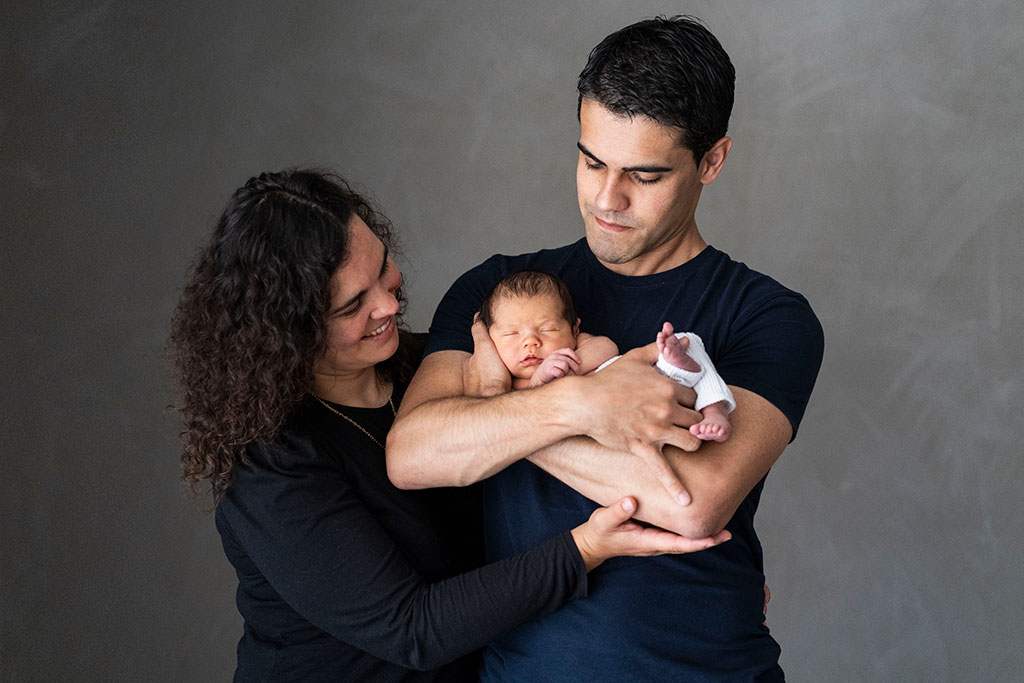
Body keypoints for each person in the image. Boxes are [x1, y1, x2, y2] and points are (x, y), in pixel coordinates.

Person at [387, 15, 824, 681]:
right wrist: (585, 405)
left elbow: (695, 502)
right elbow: (414, 451)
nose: (607, 198)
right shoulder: (500, 295)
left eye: (643, 175)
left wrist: (514, 406)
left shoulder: (769, 316)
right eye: (592, 161)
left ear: (712, 160)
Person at [167, 169, 729, 682]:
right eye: (352, 305)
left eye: (382, 268)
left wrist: (690, 595)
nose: (389, 304)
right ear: (287, 331)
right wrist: (584, 548)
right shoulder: (270, 462)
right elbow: (412, 629)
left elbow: (531, 492)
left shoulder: (429, 367)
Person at [478, 269, 735, 440]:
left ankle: (714, 410)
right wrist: (540, 382)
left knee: (685, 341)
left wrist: (573, 368)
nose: (530, 342)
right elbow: (520, 414)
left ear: (575, 328)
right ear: (490, 339)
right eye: (511, 334)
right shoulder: (511, 386)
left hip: (652, 378)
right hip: (629, 417)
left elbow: (607, 347)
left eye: (548, 329)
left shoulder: (579, 345)